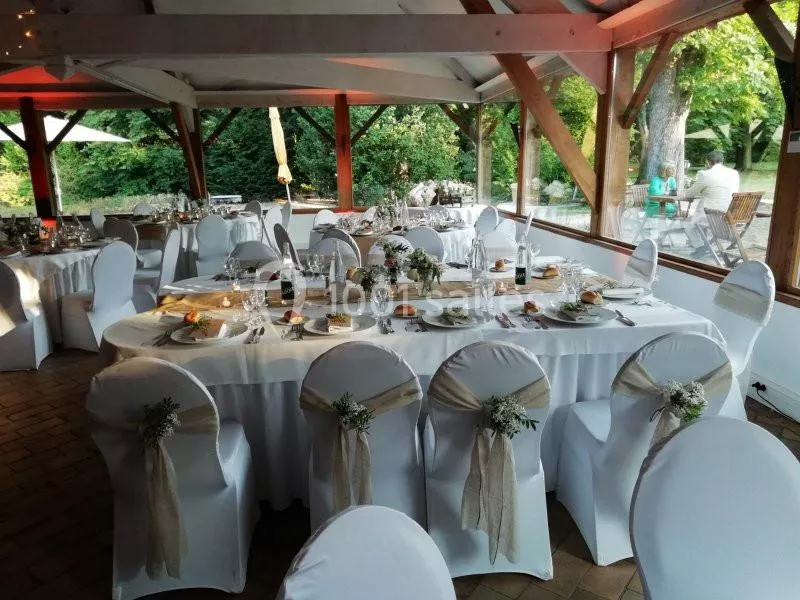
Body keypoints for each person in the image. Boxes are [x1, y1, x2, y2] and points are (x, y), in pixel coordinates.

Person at [682, 150, 740, 253]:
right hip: (730, 216)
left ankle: (700, 247)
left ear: (708, 162)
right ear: (722, 161)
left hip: (713, 217)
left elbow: (689, 194)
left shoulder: (705, 174)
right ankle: (707, 245)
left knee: (688, 224)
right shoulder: (734, 173)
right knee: (698, 218)